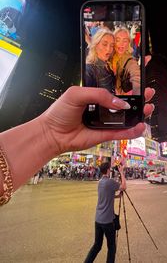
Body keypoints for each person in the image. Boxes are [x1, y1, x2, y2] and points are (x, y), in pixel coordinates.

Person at [0, 85, 155, 205]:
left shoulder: (102, 182)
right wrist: (50, 133)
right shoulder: (106, 182)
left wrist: (50, 134)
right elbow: (122, 188)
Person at [84, 162, 125, 263]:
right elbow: (124, 186)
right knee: (111, 247)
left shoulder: (100, 182)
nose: (111, 170)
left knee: (97, 246)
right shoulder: (110, 182)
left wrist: (116, 196)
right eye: (110, 169)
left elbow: (105, 196)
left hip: (98, 220)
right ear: (107, 170)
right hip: (107, 221)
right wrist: (122, 172)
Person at [111, 27, 141, 95]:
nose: (121, 44)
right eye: (117, 40)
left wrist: (137, 90)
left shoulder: (130, 60)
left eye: (125, 41)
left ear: (128, 43)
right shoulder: (108, 57)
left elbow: (136, 74)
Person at [85, 29, 115, 93]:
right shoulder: (89, 71)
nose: (109, 49)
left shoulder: (107, 64)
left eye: (112, 45)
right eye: (104, 44)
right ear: (96, 45)